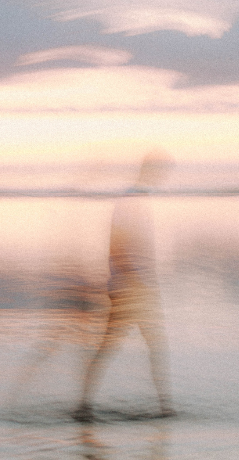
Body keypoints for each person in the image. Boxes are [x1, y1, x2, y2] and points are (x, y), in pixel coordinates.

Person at [75, 150, 176, 421]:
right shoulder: (131, 201)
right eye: (160, 170)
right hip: (132, 289)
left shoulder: (137, 200)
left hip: (135, 287)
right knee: (119, 346)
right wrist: (134, 282)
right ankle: (164, 408)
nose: (163, 176)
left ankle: (164, 406)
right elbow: (117, 246)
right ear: (150, 170)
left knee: (146, 345)